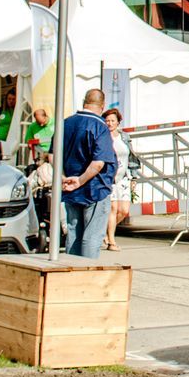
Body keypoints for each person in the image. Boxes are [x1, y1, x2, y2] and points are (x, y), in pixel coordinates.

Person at [56, 88, 115, 260]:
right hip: (95, 189)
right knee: (92, 236)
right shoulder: (100, 126)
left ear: (84, 102)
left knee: (74, 233)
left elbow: (52, 156)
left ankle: (70, 269)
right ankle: (87, 271)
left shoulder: (65, 123)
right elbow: (98, 163)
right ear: (102, 105)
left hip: (70, 188)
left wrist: (63, 178)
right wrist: (80, 180)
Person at [102, 106, 130, 250]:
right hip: (109, 177)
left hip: (123, 177)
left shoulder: (124, 137)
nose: (110, 123)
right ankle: (111, 241)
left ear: (118, 122)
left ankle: (106, 232)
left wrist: (133, 177)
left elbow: (131, 157)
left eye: (113, 120)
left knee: (123, 210)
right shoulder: (103, 137)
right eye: (107, 120)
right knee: (113, 208)